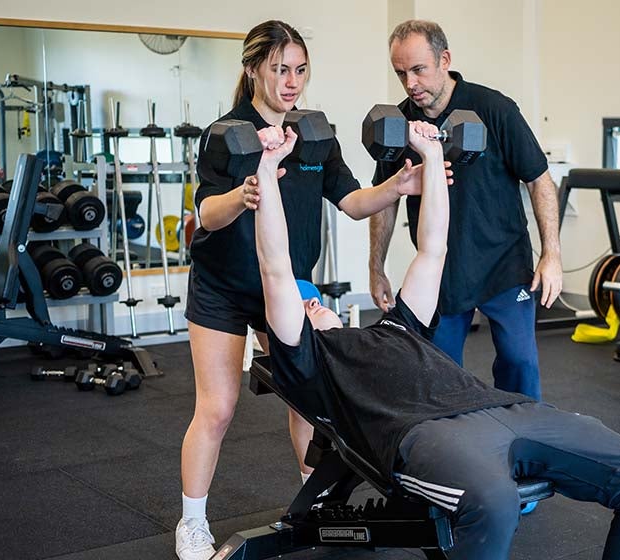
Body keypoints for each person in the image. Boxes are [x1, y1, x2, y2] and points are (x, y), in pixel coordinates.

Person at [257, 119, 620, 559]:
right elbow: (276, 268)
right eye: (305, 307)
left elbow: (433, 248)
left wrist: (432, 153)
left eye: (314, 299)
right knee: (495, 505)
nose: (313, 303)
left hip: (508, 408)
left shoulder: (399, 325)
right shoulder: (309, 358)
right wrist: (268, 171)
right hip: (425, 433)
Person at [177, 20, 447, 560]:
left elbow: (351, 202)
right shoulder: (225, 133)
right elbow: (202, 215)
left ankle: (317, 502)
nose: (291, 81)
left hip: (286, 287)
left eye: (300, 70)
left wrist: (398, 185)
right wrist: (246, 192)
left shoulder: (316, 136)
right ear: (253, 68)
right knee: (219, 407)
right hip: (223, 288)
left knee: (309, 401)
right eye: (279, 69)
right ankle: (192, 522)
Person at [369, 19, 563, 405]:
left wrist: (551, 254)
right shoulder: (400, 124)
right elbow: (384, 199)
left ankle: (527, 438)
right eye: (401, 73)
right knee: (438, 373)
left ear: (445, 59)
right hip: (442, 271)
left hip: (503, 263)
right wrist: (376, 268)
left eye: (419, 69)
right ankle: (452, 456)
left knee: (520, 363)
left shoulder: (495, 108)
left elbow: (539, 179)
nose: (410, 84)